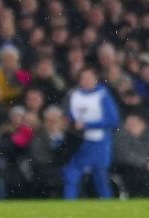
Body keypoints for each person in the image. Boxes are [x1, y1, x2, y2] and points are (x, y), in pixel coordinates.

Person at [63, 67, 119, 199]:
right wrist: (70, 122)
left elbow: (113, 120)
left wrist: (88, 125)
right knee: (72, 172)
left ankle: (105, 202)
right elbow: (69, 115)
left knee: (99, 175)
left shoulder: (103, 95)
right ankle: (69, 202)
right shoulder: (74, 95)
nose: (86, 81)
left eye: (89, 78)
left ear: (96, 79)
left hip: (99, 141)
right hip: (79, 140)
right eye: (83, 78)